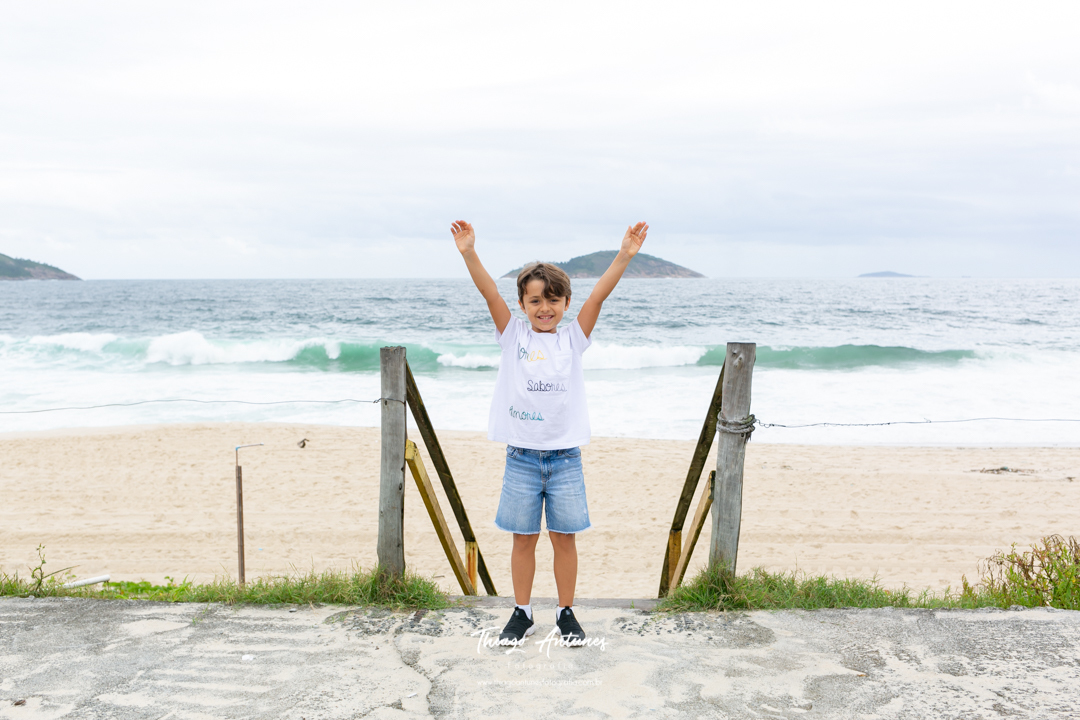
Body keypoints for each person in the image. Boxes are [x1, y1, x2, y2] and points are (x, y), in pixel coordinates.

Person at [451, 219, 649, 647]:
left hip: (565, 459)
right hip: (521, 457)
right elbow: (489, 292)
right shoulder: (513, 335)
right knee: (523, 541)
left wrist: (624, 255)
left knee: (564, 539)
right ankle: (522, 612)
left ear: (565, 303)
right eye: (535, 300)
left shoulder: (573, 339)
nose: (545, 308)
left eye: (553, 300)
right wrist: (469, 252)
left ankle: (565, 612)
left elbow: (598, 296)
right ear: (522, 304)